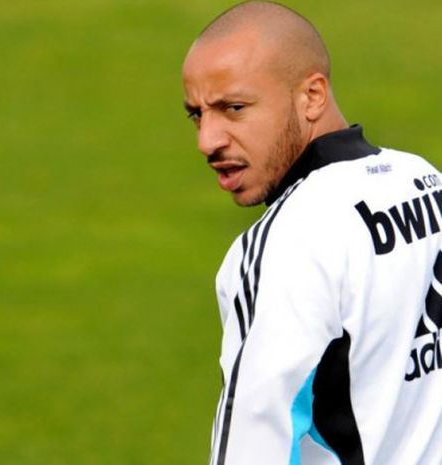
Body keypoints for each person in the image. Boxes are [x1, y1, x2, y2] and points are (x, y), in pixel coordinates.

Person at [181, 2, 442, 465]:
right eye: (197, 115)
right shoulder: (424, 179)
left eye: (234, 108)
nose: (208, 140)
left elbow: (254, 447)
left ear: (312, 96)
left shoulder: (287, 242)